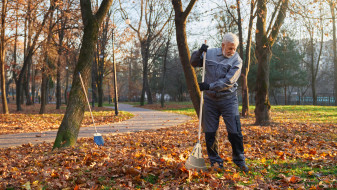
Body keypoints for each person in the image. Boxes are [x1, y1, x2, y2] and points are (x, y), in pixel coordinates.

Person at [190, 32, 248, 172]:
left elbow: (229, 81)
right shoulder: (209, 54)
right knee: (210, 132)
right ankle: (216, 162)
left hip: (228, 100)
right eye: (230, 48)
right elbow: (194, 62)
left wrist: (209, 86)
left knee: (235, 131)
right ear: (223, 45)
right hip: (210, 101)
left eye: (234, 48)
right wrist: (199, 52)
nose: (232, 51)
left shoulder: (237, 60)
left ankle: (239, 161)